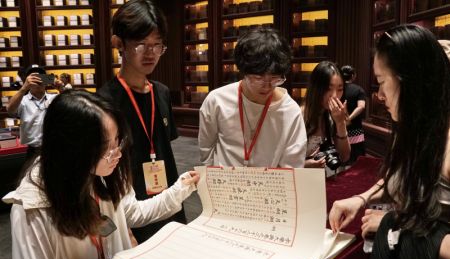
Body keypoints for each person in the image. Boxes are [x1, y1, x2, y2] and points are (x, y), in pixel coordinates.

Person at [2, 90, 199, 259]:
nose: (117, 154)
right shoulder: (33, 207)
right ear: (72, 149)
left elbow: (134, 213)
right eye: (106, 147)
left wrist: (181, 187)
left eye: (117, 141)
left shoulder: (103, 175)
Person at [328, 24, 450, 259]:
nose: (379, 95)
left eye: (382, 81)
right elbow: (403, 176)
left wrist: (399, 225)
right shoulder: (424, 128)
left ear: (411, 81)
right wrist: (361, 198)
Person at [98, 0, 185, 243]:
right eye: (141, 45)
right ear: (119, 44)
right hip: (131, 211)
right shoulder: (104, 101)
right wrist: (123, 228)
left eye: (157, 45)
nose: (150, 53)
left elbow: (164, 151)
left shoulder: (163, 93)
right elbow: (101, 174)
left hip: (168, 201)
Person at [198, 26, 307, 168]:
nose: (267, 86)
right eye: (258, 77)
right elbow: (206, 148)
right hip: (225, 185)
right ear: (243, 71)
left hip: (270, 187)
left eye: (275, 78)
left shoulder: (290, 111)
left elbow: (293, 165)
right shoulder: (217, 101)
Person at [302, 61, 350, 169]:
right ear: (316, 88)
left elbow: (344, 156)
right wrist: (304, 165)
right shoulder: (299, 116)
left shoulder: (330, 116)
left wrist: (340, 123)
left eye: (340, 89)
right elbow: (280, 163)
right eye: (328, 89)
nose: (334, 95)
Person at [6, 64, 57, 159]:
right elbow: (10, 110)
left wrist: (62, 88)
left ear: (46, 80)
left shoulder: (55, 98)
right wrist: (23, 88)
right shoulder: (21, 100)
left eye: (41, 77)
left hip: (54, 148)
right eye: (33, 77)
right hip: (32, 150)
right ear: (27, 81)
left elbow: (74, 106)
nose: (37, 80)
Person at [340, 65, 366, 165]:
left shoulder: (338, 90)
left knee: (341, 160)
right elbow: (361, 107)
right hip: (355, 129)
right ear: (353, 76)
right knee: (356, 161)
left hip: (339, 129)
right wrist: (349, 118)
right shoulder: (358, 90)